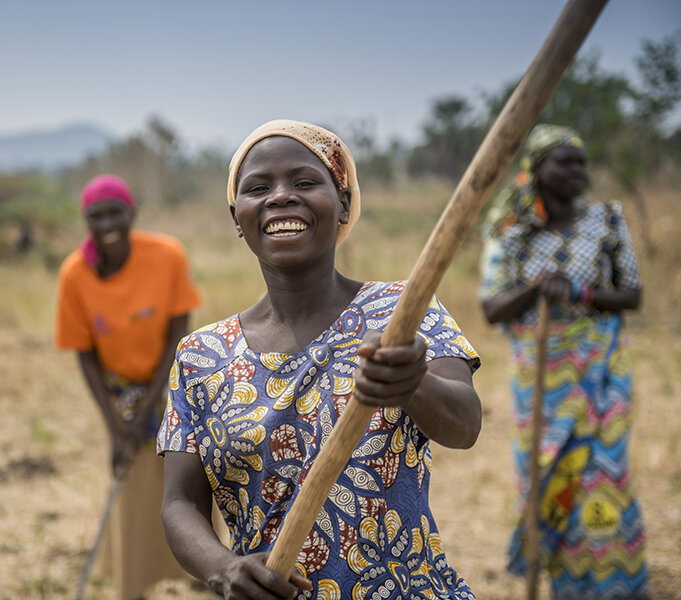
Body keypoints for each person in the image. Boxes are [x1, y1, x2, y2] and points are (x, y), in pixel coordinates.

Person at [157, 120, 482, 600]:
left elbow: (465, 424)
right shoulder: (201, 356)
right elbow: (180, 502)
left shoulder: (402, 311)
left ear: (344, 202)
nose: (281, 196)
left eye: (305, 182)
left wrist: (411, 383)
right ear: (236, 216)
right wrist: (223, 568)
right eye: (258, 188)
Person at [479, 124, 649, 599]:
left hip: (602, 370)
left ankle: (614, 584)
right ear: (536, 169)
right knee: (548, 473)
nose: (578, 171)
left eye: (582, 162)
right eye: (565, 161)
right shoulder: (510, 232)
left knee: (602, 474)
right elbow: (492, 307)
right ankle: (564, 585)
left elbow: (632, 295)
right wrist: (537, 288)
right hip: (541, 377)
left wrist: (580, 292)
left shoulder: (607, 220)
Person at [55, 174, 202, 600]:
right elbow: (84, 354)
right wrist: (118, 427)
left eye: (114, 212)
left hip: (173, 379)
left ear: (131, 213)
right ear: (87, 221)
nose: (108, 224)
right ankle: (133, 582)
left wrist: (149, 408)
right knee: (133, 481)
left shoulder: (166, 255)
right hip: (120, 390)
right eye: (96, 216)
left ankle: (202, 569)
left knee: (187, 472)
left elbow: (178, 335)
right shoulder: (75, 275)